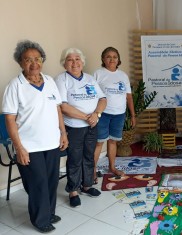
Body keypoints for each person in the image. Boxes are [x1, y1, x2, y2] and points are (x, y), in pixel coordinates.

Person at [2, 40, 68, 233]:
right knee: (38, 182)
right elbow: (10, 120)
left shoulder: (49, 81)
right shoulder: (15, 86)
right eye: (27, 60)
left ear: (42, 60)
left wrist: (63, 133)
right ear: (20, 63)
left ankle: (49, 212)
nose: (33, 63)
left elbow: (57, 109)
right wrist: (19, 148)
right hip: (29, 145)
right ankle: (40, 219)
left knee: (51, 180)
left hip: (52, 142)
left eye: (37, 59)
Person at [55, 48, 107, 207]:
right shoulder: (61, 79)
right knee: (75, 159)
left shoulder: (90, 79)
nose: (74, 63)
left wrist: (96, 114)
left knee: (89, 156)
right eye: (70, 60)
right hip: (74, 127)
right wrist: (87, 117)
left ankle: (87, 185)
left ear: (82, 62)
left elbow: (103, 99)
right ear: (64, 63)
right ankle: (73, 190)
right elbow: (63, 106)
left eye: (77, 59)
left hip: (92, 125)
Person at [93, 47, 136, 183]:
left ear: (118, 59)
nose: (112, 59)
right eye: (108, 56)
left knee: (113, 141)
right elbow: (92, 95)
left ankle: (112, 167)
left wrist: (133, 115)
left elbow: (129, 97)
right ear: (103, 59)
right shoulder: (98, 73)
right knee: (99, 143)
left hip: (119, 114)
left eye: (114, 57)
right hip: (103, 114)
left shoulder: (123, 75)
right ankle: (92, 171)